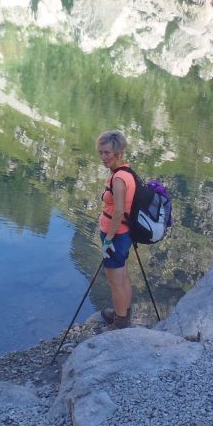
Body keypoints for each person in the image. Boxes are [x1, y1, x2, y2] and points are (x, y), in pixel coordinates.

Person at [96, 130, 135, 328]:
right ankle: (124, 313)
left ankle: (120, 323)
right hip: (124, 235)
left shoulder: (118, 179)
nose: (103, 157)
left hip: (116, 235)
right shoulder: (127, 172)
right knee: (123, 276)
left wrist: (108, 240)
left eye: (107, 153)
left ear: (118, 153)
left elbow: (119, 211)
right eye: (101, 152)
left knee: (115, 282)